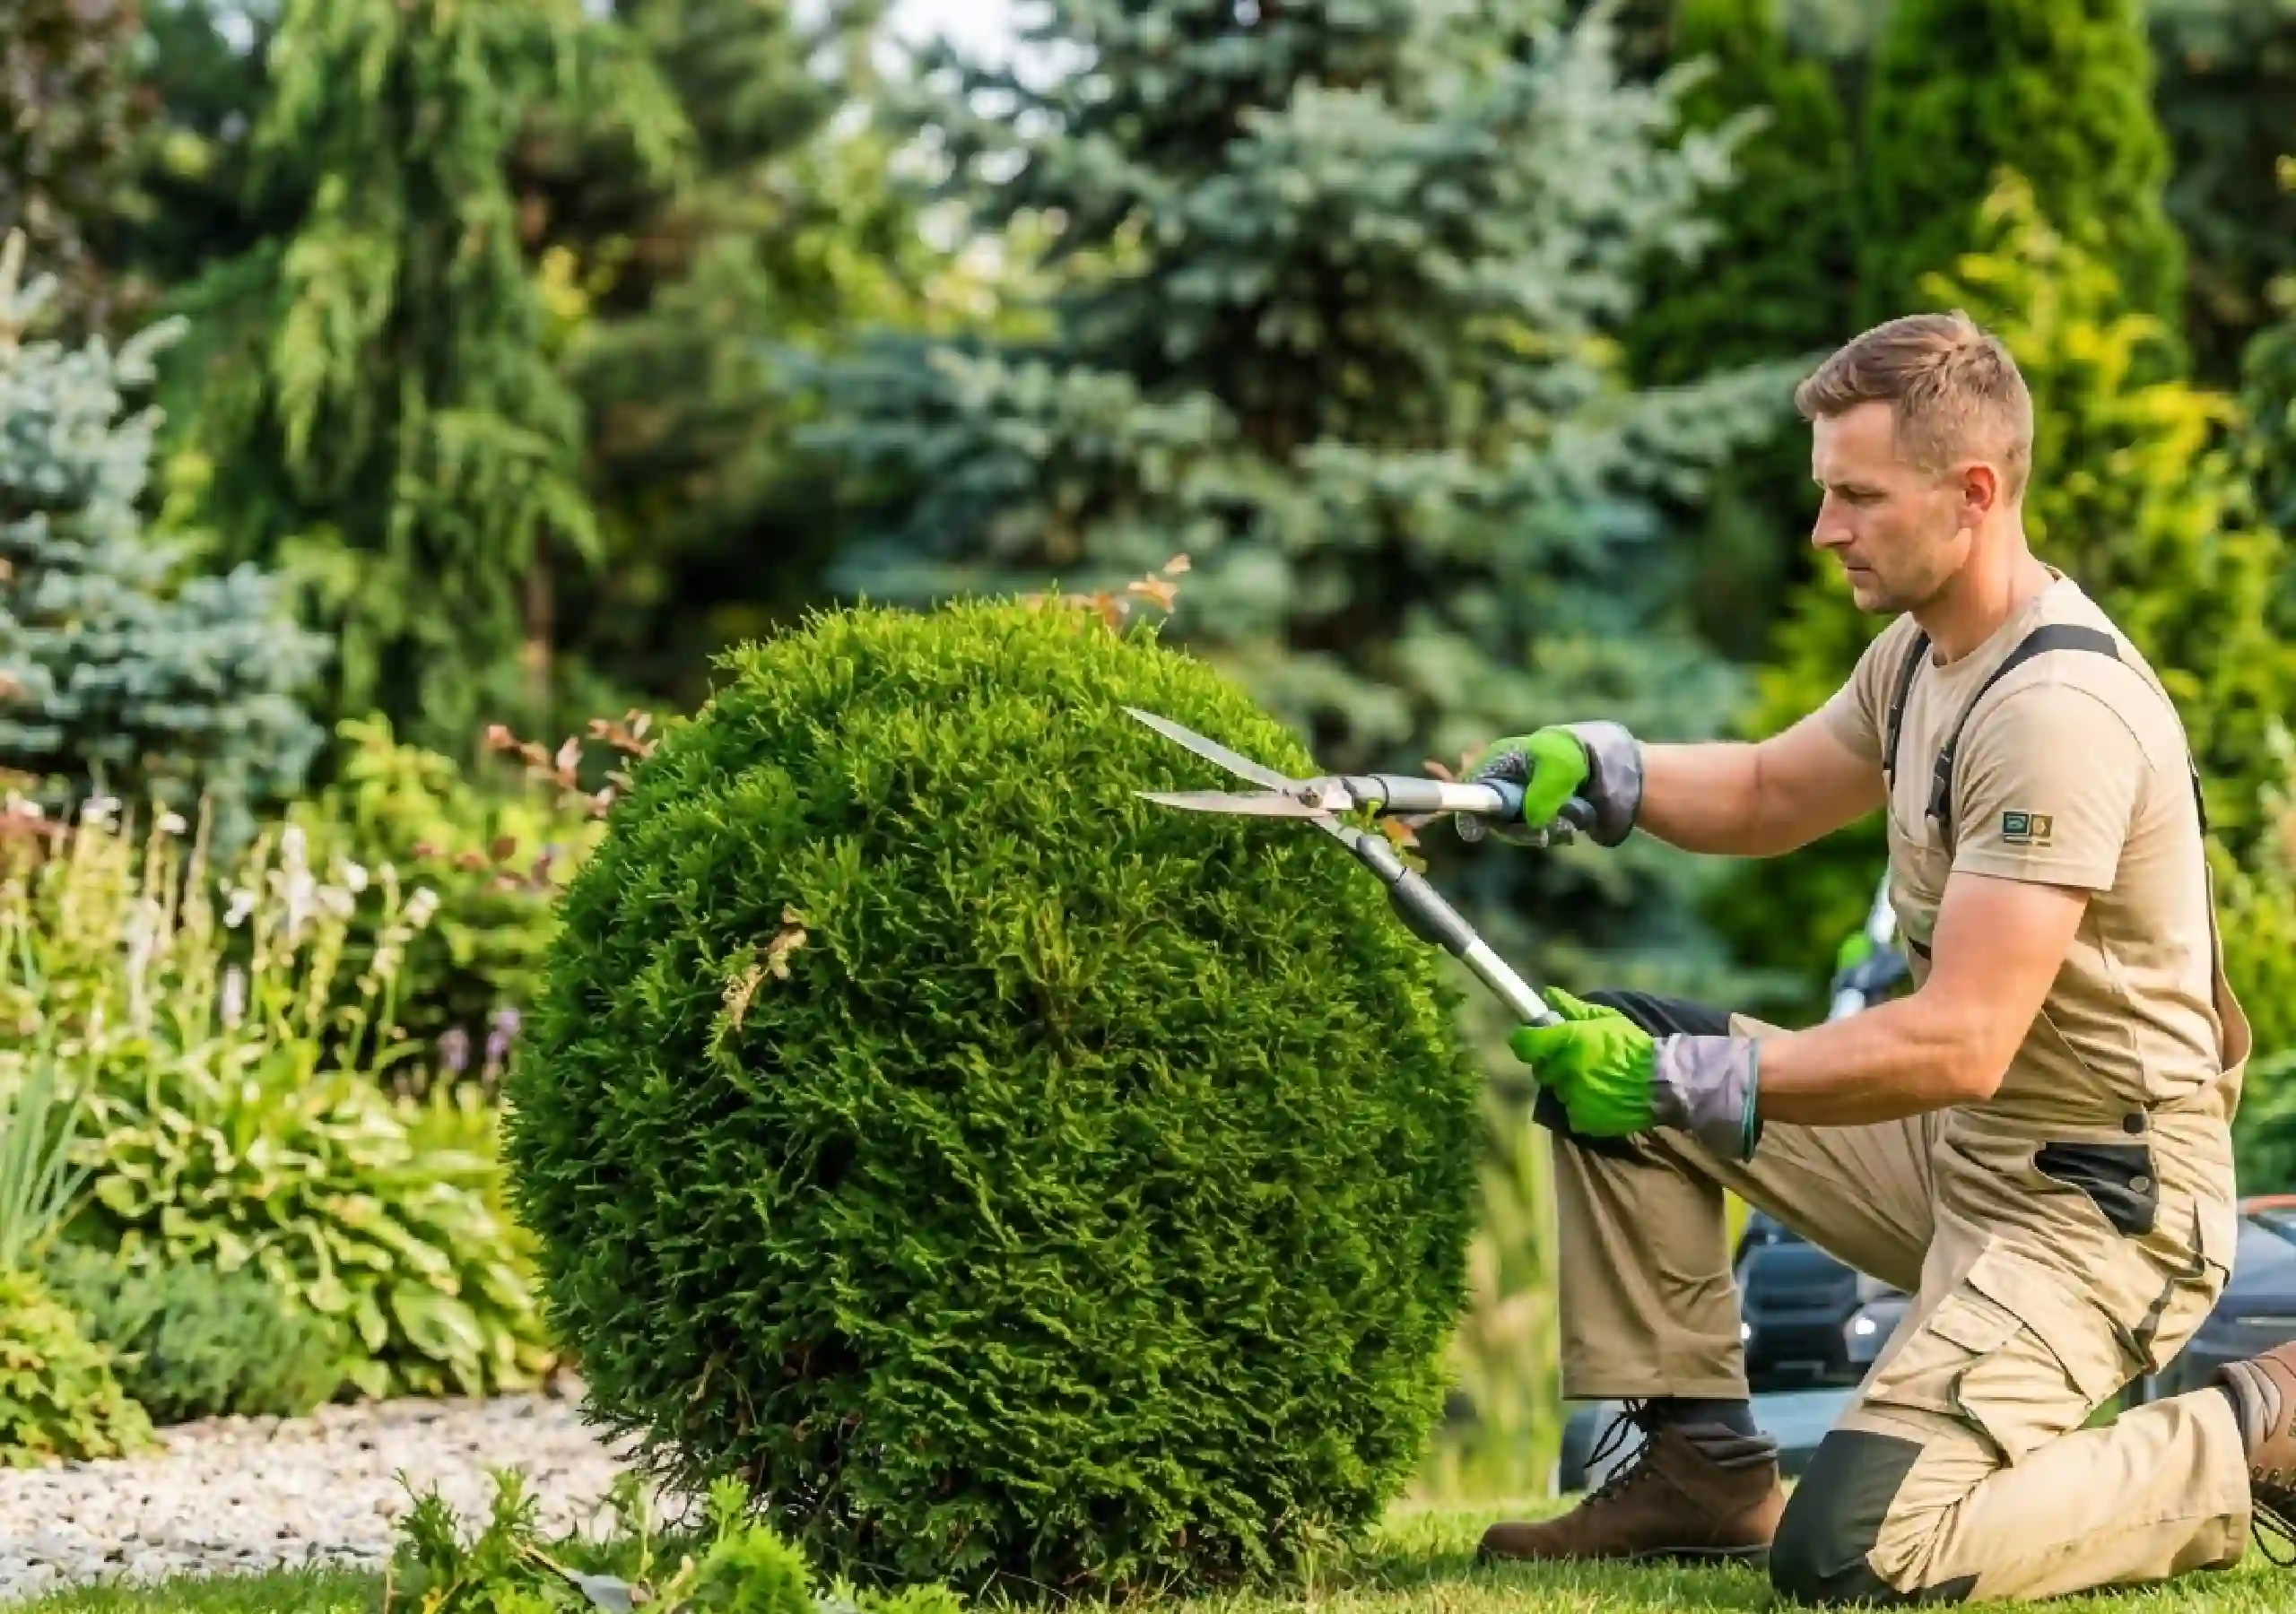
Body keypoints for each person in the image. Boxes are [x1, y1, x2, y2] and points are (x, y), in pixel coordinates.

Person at [1460, 311, 2296, 1603]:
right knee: (1613, 1049)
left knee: (1855, 1551)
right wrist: (1606, 767)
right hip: (1963, 1157)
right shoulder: (1923, 656)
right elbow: (1759, 793)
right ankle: (1701, 1470)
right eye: (1822, 494)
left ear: (1971, 495)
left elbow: (1960, 1039)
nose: (1825, 529)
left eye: (1856, 496)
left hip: (2100, 1204)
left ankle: (2250, 1423)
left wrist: (1690, 1076)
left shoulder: (2053, 715)